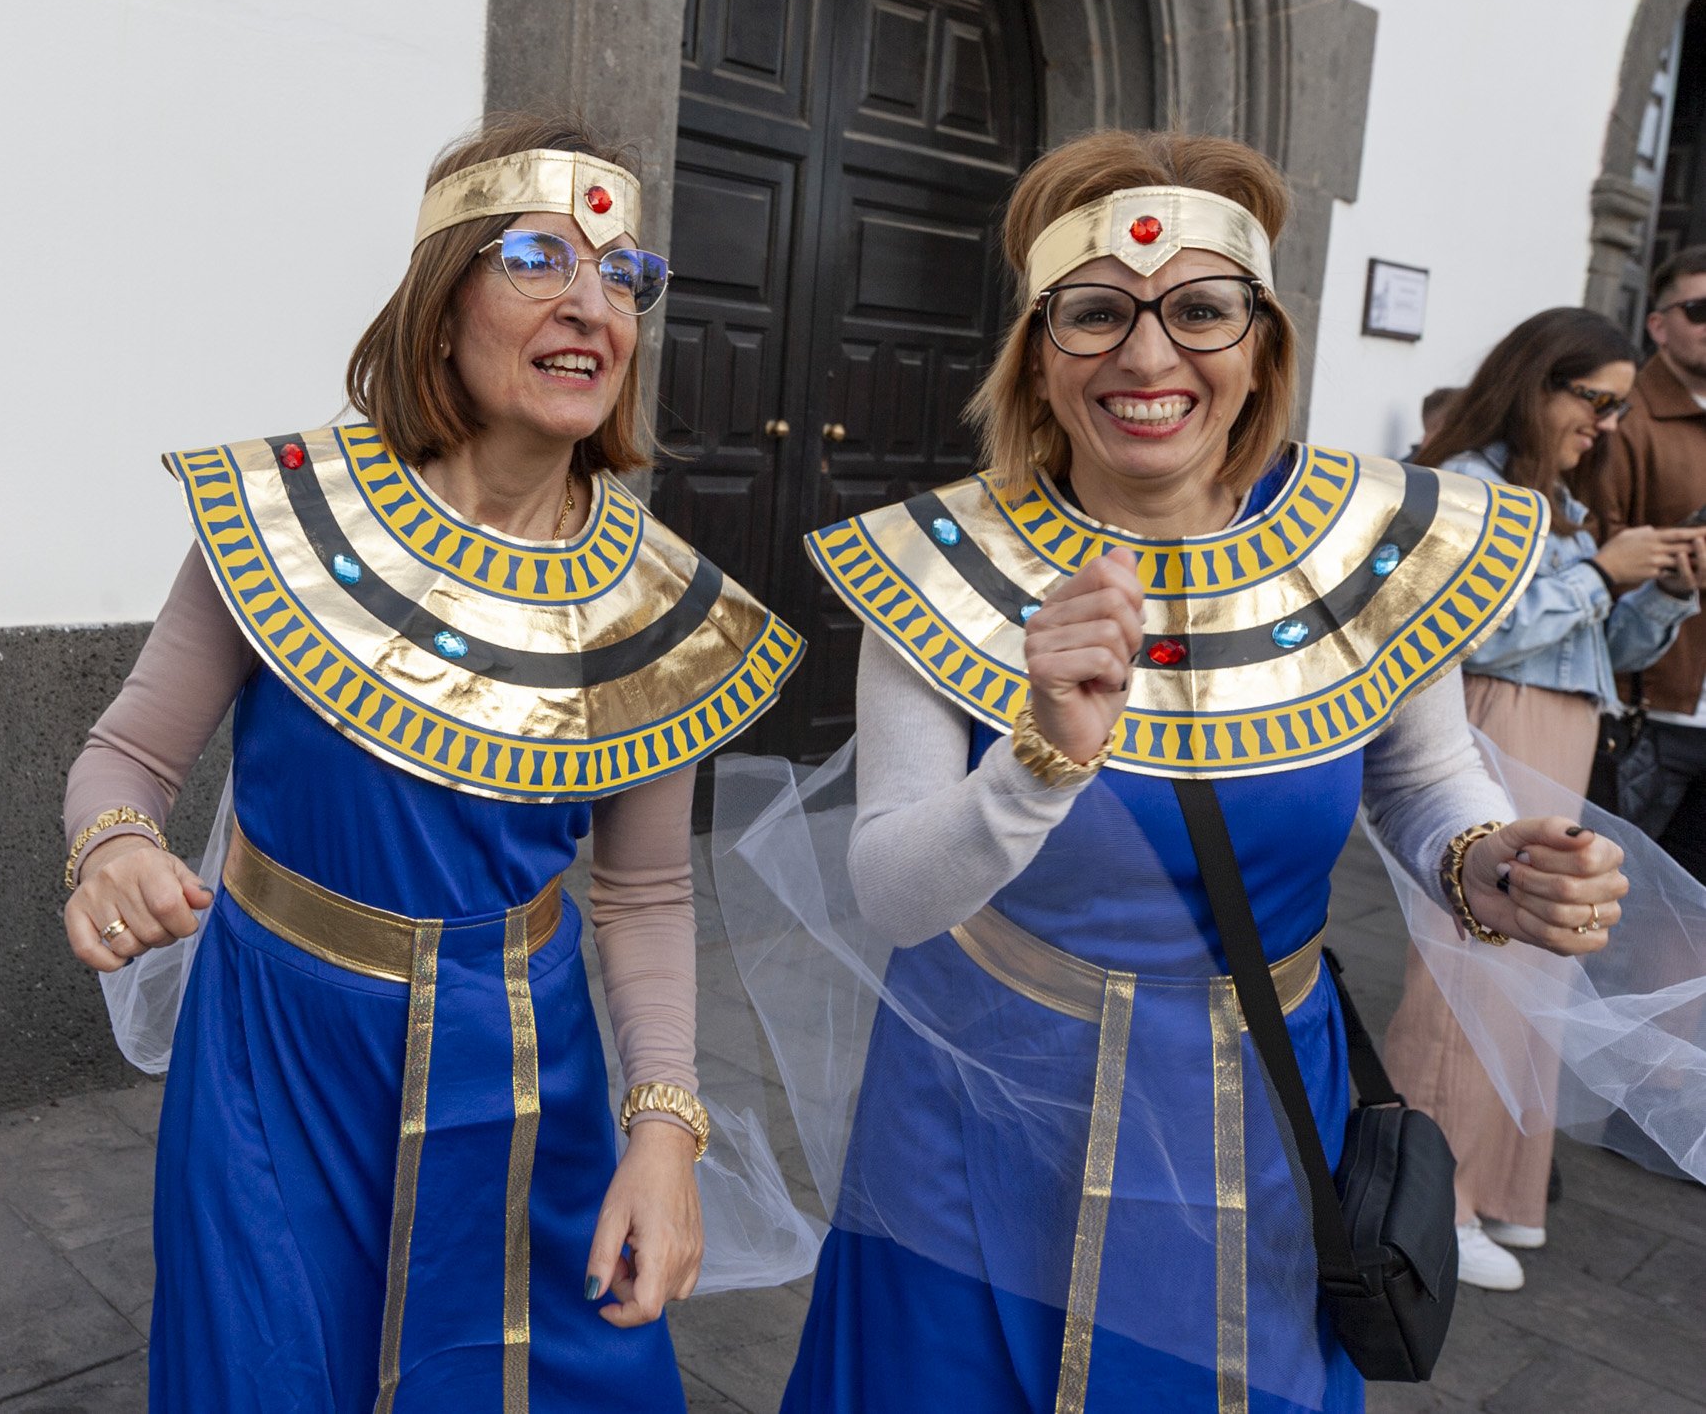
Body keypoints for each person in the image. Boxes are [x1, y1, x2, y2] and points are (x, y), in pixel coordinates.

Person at [718, 132, 1632, 1412]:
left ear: (1262, 342)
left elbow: (1423, 780)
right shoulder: (937, 569)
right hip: (974, 1117)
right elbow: (890, 893)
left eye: (1201, 309)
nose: (1148, 357)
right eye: (1093, 313)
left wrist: (1493, 860)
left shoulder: (1369, 550)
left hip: (1256, 1111)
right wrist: (1036, 762)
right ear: (1039, 351)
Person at [59, 114, 801, 1411]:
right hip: (275, 1057)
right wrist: (113, 841)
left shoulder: (653, 609)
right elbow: (124, 753)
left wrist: (668, 1128)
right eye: (538, 258)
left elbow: (642, 893)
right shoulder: (284, 521)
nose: (593, 306)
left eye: (624, 276)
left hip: (525, 1067)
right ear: (440, 296)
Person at [1379, 308, 1699, 1292]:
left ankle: (1500, 1188)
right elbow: (1469, 629)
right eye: (1592, 399)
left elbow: (1603, 654)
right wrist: (1602, 574)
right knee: (1467, 978)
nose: (1606, 421)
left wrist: (1662, 594)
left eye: (1614, 403)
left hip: (1562, 729)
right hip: (1487, 726)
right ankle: (1429, 1202)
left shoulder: (1558, 497)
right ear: (1533, 382)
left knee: (1538, 978)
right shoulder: (1466, 484)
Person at [1581, 246, 1706, 880]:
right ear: (1658, 323)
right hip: (1650, 709)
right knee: (1613, 917)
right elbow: (1598, 548)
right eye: (1699, 309)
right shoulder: (1621, 425)